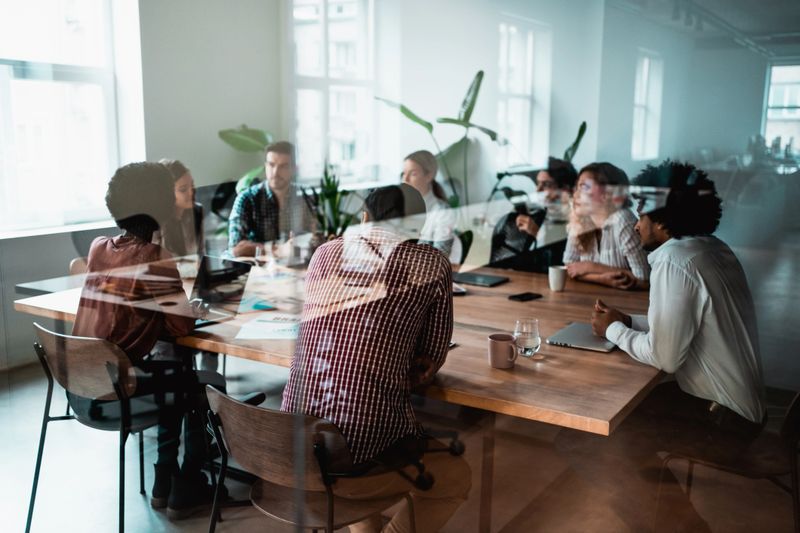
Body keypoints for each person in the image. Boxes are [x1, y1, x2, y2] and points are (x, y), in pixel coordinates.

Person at [556, 160, 765, 531]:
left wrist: (612, 333)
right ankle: (671, 522)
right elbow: (684, 327)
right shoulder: (710, 249)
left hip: (723, 420)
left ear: (662, 215)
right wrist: (625, 322)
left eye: (642, 212)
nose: (636, 223)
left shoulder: (674, 260)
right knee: (616, 415)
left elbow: (665, 357)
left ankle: (681, 526)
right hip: (743, 408)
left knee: (582, 438)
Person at [281, 185, 470, 533]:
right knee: (455, 479)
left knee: (354, 451)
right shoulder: (432, 263)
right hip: (359, 447)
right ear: (418, 228)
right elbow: (429, 358)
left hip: (294, 441)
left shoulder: (323, 252)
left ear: (364, 218)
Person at [72, 162, 225, 519]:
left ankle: (165, 485)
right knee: (197, 383)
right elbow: (180, 328)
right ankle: (182, 484)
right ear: (158, 206)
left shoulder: (98, 248)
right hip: (120, 394)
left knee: (174, 375)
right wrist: (189, 309)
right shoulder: (154, 258)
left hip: (83, 386)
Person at [562, 162, 650, 289]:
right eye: (577, 188)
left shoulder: (623, 220)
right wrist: (602, 279)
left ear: (607, 194)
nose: (575, 195)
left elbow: (645, 279)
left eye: (583, 187)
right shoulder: (579, 221)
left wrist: (590, 267)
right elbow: (570, 268)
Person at [227, 141, 311, 257]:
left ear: (294, 169)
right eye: (271, 165)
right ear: (265, 165)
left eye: (283, 166)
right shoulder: (247, 198)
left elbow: (317, 237)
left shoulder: (304, 197)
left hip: (296, 267)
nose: (275, 172)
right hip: (256, 270)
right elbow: (236, 248)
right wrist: (278, 249)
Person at [402, 150, 456, 256]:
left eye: (413, 174)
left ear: (429, 176)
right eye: (404, 173)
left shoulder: (443, 213)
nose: (405, 179)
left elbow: (440, 257)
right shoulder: (402, 208)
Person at [515, 156, 578, 237]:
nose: (538, 190)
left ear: (565, 189)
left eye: (546, 184)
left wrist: (536, 233)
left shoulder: (578, 222)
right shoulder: (542, 212)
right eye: (538, 183)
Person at [156, 159, 204, 257]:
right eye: (183, 189)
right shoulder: (156, 221)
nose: (192, 192)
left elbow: (201, 256)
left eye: (192, 185)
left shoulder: (197, 212)